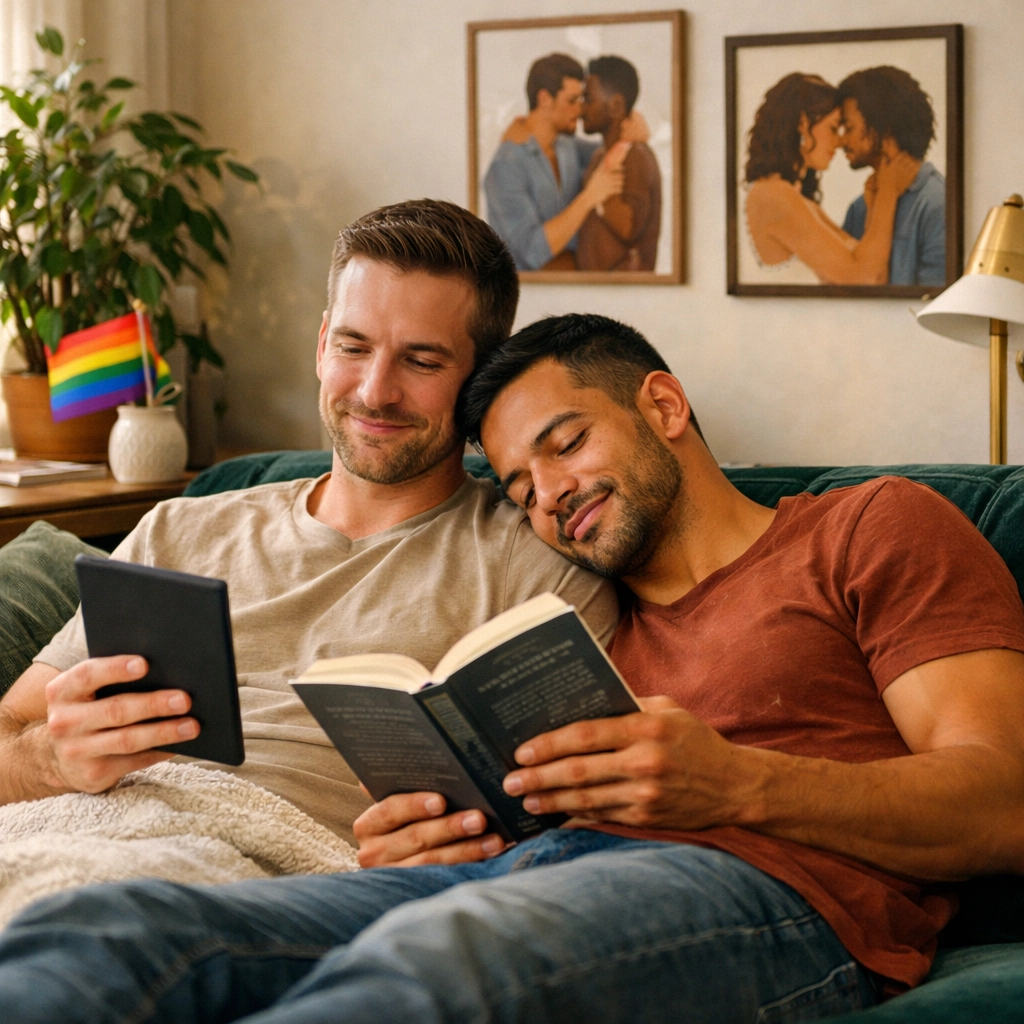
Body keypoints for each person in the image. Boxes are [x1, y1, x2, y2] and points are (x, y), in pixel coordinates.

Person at [2, 315, 1023, 1024]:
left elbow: (1003, 803)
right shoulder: (569, 618)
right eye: (523, 486)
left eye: (566, 443)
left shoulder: (869, 526)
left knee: (437, 964)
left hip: (772, 899)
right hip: (520, 874)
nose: (550, 498)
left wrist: (738, 781)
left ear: (662, 403)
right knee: (117, 926)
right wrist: (419, 836)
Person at [0, 201, 617, 848]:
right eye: (354, 346)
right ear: (323, 345)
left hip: (270, 884)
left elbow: (572, 833)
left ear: (479, 380)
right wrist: (52, 758)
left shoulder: (539, 564)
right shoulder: (176, 532)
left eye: (422, 361)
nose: (376, 391)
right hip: (78, 836)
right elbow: (11, 736)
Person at [744, 72, 918, 285]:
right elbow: (861, 278)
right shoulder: (773, 195)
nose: (838, 142)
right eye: (833, 128)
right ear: (802, 123)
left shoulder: (801, 202)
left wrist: (875, 205)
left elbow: (877, 277)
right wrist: (888, 193)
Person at [483, 52, 629, 271]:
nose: (579, 110)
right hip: (534, 296)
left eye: (581, 100)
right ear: (544, 99)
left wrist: (631, 127)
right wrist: (589, 197)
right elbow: (532, 251)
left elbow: (608, 150)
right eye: (571, 101)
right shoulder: (505, 166)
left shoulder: (567, 145)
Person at [838, 66, 946, 288]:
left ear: (882, 129)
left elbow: (935, 305)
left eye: (848, 128)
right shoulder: (858, 210)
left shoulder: (938, 204)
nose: (841, 141)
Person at [576, 55, 662, 272]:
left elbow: (628, 227)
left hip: (625, 296)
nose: (581, 109)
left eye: (588, 99)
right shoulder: (598, 157)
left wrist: (598, 194)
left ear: (616, 105)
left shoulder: (637, 156)